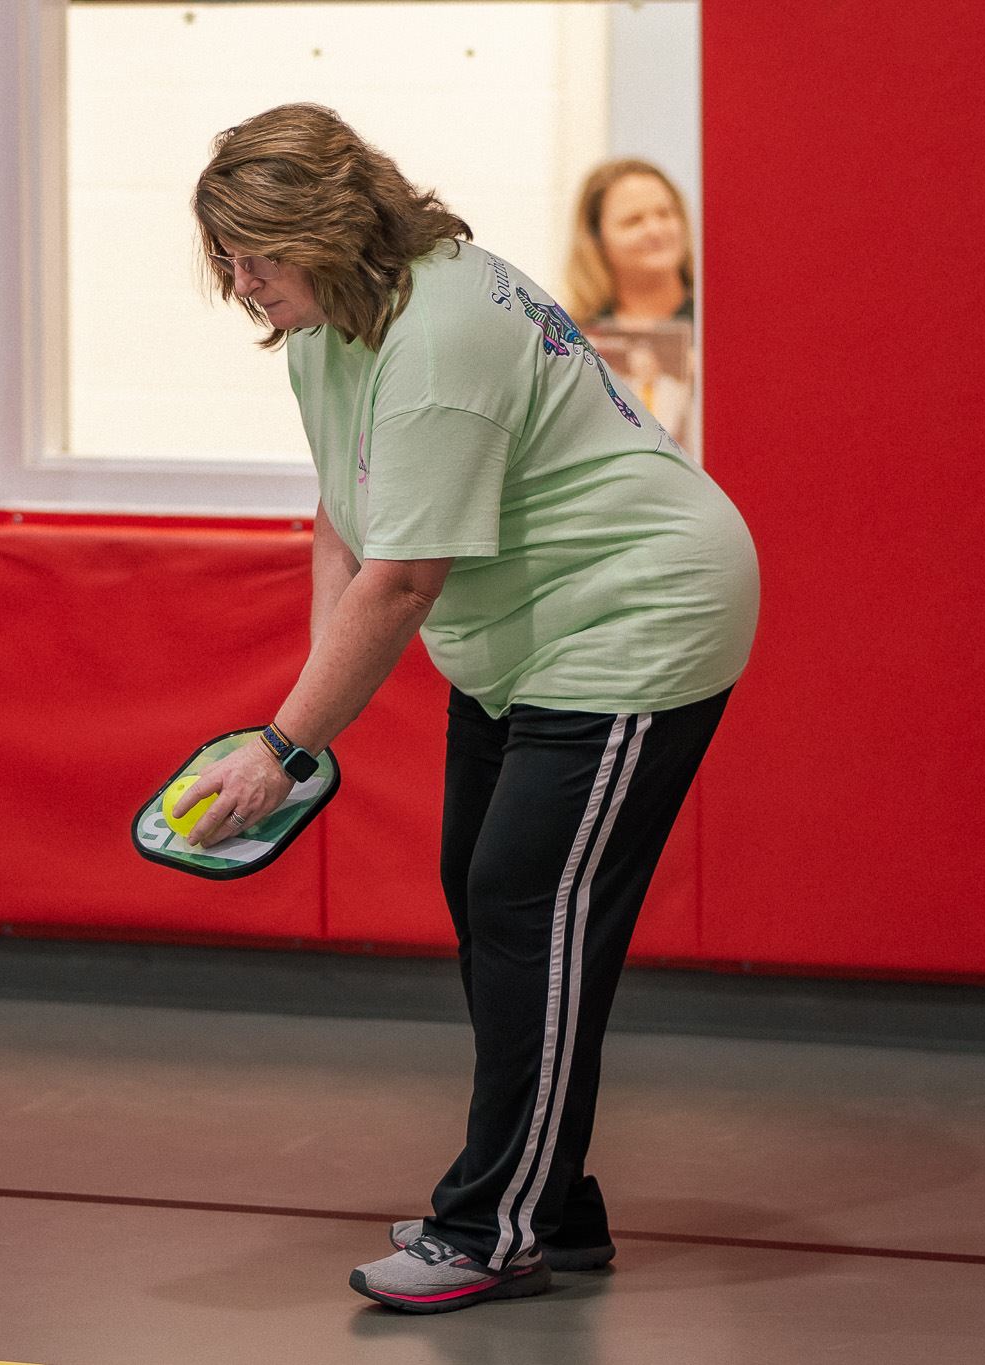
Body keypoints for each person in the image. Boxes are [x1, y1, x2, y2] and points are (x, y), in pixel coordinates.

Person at [173, 104, 758, 1314]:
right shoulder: (328, 323)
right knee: (487, 896)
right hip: (524, 638)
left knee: (522, 904)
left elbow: (402, 580)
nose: (238, 284)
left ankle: (492, 1225)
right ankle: (548, 1202)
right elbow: (347, 513)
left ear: (324, 230)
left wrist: (285, 747)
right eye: (224, 256)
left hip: (632, 618)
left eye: (255, 255)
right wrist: (300, 716)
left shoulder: (437, 338)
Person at [560, 157, 695, 329]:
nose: (655, 230)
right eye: (633, 221)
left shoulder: (722, 322)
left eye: (665, 213)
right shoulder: (570, 338)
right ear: (596, 239)